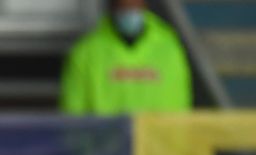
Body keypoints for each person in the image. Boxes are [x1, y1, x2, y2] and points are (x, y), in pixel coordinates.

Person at [61, 0, 192, 114]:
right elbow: (73, 112)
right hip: (105, 135)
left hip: (156, 135)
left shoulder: (168, 47)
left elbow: (181, 105)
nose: (130, 10)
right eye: (124, 5)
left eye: (134, 4)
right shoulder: (86, 52)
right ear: (112, 6)